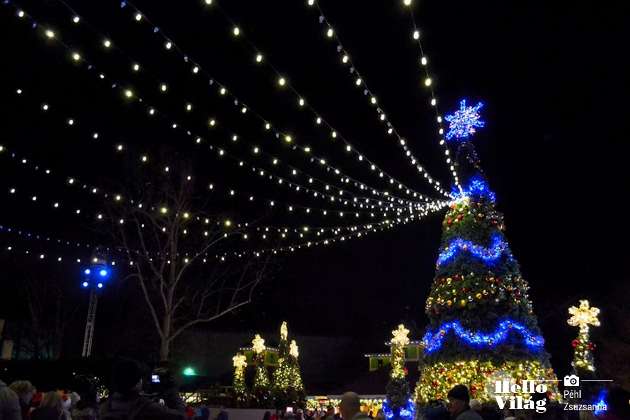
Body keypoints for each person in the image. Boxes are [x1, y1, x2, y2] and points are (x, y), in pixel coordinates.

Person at [99, 359, 185, 420]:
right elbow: (180, 416)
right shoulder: (144, 407)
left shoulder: (105, 407)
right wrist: (173, 391)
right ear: (137, 382)